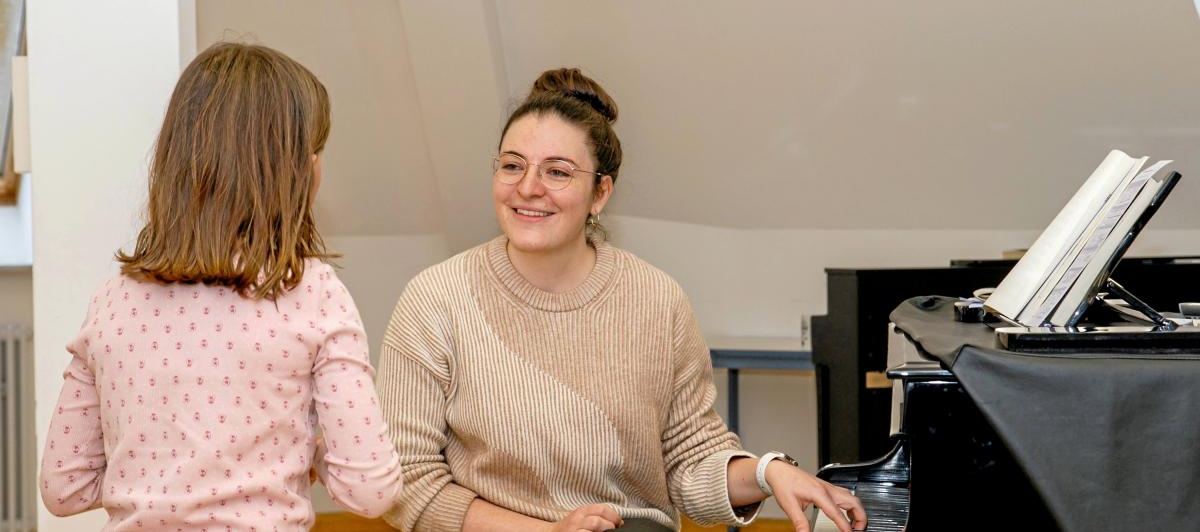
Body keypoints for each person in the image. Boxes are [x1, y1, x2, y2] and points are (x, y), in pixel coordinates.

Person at [376, 68, 865, 532]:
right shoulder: (435, 300)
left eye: (558, 172)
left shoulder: (657, 300)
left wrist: (768, 472)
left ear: (600, 193)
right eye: (512, 166)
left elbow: (690, 460)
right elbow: (405, 481)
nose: (528, 188)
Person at [39, 42, 403, 529]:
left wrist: (157, 471)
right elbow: (370, 489)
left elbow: (63, 487)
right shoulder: (313, 293)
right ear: (298, 170)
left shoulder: (112, 301)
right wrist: (311, 456)